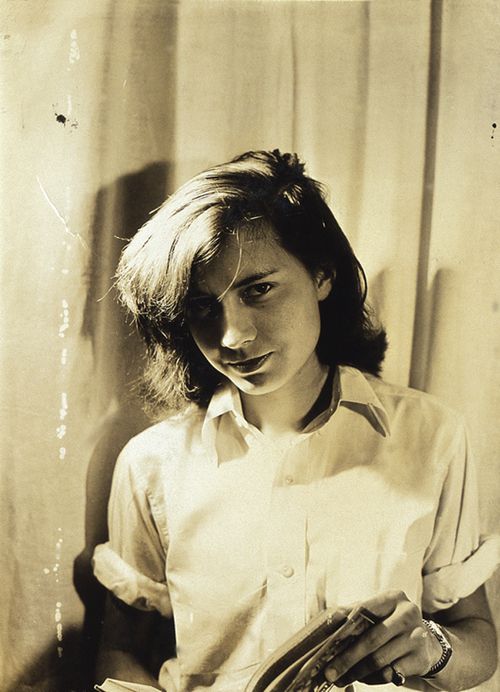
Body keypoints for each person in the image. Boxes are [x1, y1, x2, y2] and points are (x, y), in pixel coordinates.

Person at [93, 149, 499, 691]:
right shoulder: (151, 464)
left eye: (258, 289)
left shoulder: (432, 435)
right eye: (203, 306)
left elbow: (478, 640)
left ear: (322, 275)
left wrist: (432, 646)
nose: (233, 335)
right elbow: (120, 650)